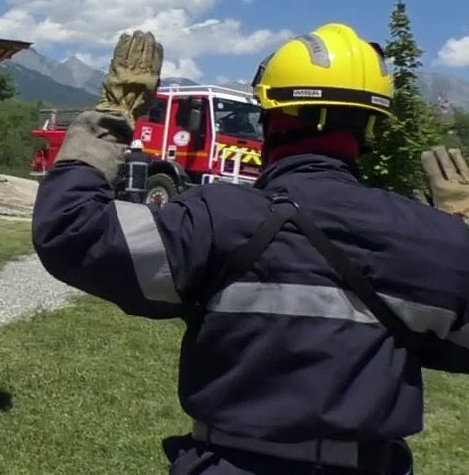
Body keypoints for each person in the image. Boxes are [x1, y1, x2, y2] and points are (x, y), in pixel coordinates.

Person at [31, 24, 469, 475]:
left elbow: (70, 230)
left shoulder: (214, 220)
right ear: (373, 126)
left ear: (272, 119)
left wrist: (111, 117)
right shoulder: (428, 241)